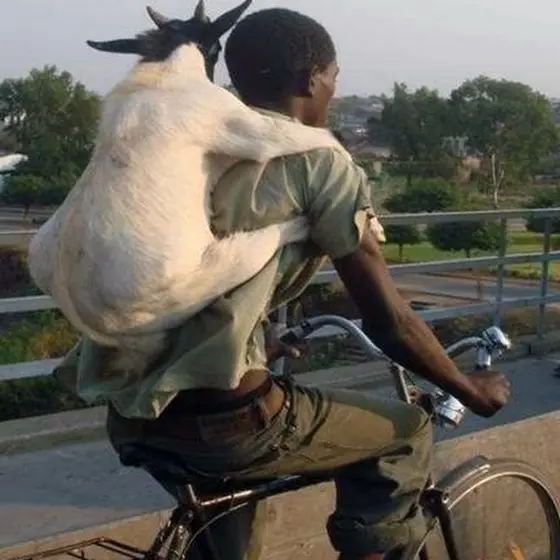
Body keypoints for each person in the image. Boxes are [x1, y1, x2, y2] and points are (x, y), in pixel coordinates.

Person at [55, 8, 510, 560]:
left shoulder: (194, 144)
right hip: (228, 423)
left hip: (134, 414)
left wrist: (249, 340)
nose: (334, 91)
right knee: (408, 432)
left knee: (227, 535)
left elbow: (187, 268)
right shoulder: (320, 161)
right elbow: (389, 321)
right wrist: (469, 388)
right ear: (310, 79)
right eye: (334, 78)